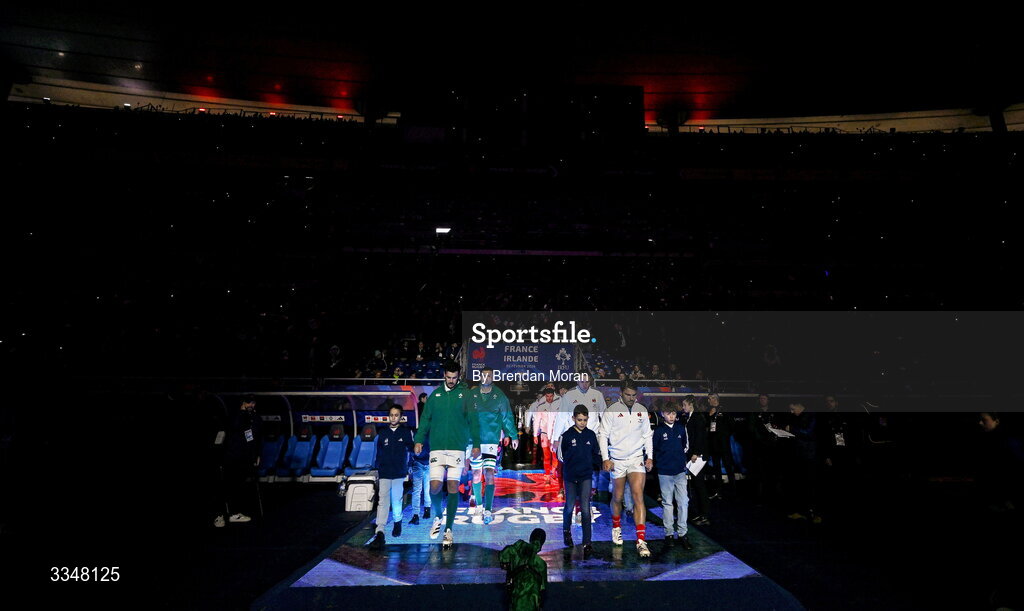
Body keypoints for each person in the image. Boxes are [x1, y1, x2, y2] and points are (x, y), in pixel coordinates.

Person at [414, 361, 480, 549]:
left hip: (457, 448)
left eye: (455, 378)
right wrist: (419, 439)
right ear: (444, 375)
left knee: (452, 487)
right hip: (436, 447)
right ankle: (437, 516)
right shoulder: (435, 396)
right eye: (448, 377)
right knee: (434, 487)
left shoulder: (466, 395)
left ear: (458, 376)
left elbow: (474, 420)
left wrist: (476, 444)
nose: (451, 381)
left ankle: (449, 529)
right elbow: (425, 419)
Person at [598, 380, 654, 558]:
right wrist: (606, 458)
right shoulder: (612, 410)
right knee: (618, 497)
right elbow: (602, 434)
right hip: (617, 460)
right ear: (621, 393)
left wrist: (650, 456)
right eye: (628, 395)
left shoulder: (642, 410)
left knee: (638, 496)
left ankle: (641, 540)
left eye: (633, 395)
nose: (631, 398)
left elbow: (647, 435)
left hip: (636, 459)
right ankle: (616, 527)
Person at [468, 367, 519, 524]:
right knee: (476, 474)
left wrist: (513, 435)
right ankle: (478, 504)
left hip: (491, 441)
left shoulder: (499, 396)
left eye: (489, 375)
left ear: (493, 377)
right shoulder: (472, 395)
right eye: (484, 375)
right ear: (479, 377)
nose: (486, 378)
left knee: (489, 473)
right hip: (473, 441)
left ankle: (488, 509)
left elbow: (506, 417)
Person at [552, 371, 607, 510]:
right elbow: (561, 417)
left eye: (587, 381)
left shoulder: (597, 395)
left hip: (592, 436)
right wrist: (556, 438)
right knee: (573, 468)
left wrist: (607, 435)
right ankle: (574, 499)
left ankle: (590, 495)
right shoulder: (569, 396)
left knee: (592, 467)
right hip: (573, 437)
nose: (585, 384)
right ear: (577, 381)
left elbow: (605, 416)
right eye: (582, 381)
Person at [369, 405, 415, 549]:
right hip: (384, 471)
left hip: (399, 472)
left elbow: (412, 449)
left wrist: (411, 464)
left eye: (396, 415)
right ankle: (380, 530)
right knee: (383, 501)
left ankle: (397, 522)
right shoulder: (382, 433)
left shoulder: (406, 432)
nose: (393, 417)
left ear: (400, 417)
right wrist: (377, 468)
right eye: (391, 415)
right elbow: (379, 453)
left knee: (396, 499)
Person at [560, 405, 601, 556]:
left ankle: (587, 542)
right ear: (573, 419)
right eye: (579, 420)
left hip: (586, 476)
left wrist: (600, 465)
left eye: (585, 420)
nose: (582, 422)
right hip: (570, 476)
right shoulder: (567, 435)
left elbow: (596, 454)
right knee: (569, 506)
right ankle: (566, 532)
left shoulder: (591, 435)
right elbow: (561, 456)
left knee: (585, 509)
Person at [215, 394, 262, 526]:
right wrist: (242, 412)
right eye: (248, 403)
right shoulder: (235, 416)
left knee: (239, 486)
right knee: (227, 485)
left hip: (246, 457)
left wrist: (257, 454)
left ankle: (234, 513)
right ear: (242, 403)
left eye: (252, 403)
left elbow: (256, 437)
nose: (251, 405)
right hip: (232, 456)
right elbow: (234, 426)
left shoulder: (255, 417)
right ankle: (220, 515)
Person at [653, 402, 693, 549]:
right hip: (664, 472)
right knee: (667, 504)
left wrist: (681, 462)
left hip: (680, 471)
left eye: (674, 413)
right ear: (663, 414)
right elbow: (654, 449)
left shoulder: (681, 429)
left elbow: (685, 446)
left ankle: (683, 534)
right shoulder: (658, 431)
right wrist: (661, 463)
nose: (671, 416)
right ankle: (669, 534)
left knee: (683, 502)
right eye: (669, 413)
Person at [499, 528, 548, 611]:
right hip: (531, 601)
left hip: (516, 598)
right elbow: (542, 588)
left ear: (530, 539)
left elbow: (503, 559)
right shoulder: (541, 564)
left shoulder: (516, 549)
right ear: (542, 544)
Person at [681, 395, 710, 526]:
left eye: (684, 405)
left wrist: (696, 453)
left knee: (700, 486)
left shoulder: (697, 418)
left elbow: (699, 436)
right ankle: (700, 513)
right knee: (697, 486)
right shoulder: (691, 417)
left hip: (698, 457)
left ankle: (704, 515)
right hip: (693, 455)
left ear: (691, 404)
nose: (683, 407)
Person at [531, 386, 561, 487]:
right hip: (544, 434)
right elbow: (536, 421)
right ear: (545, 396)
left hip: (555, 434)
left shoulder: (559, 405)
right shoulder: (541, 406)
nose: (549, 398)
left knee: (555, 455)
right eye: (547, 396)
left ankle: (554, 472)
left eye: (551, 396)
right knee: (546, 455)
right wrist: (535, 435)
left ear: (554, 395)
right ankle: (547, 476)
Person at [409, 393, 431, 525]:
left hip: (428, 463)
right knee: (417, 490)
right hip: (418, 463)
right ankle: (415, 514)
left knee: (427, 488)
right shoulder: (417, 432)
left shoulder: (433, 432)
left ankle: (427, 509)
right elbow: (413, 448)